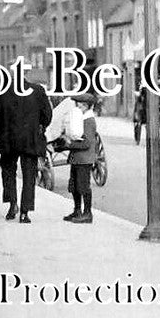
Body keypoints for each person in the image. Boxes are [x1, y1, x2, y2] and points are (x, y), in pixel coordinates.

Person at [0, 75, 52, 224]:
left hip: (8, 140)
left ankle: (12, 205)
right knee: (29, 176)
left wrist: (0, 131)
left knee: (8, 172)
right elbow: (47, 116)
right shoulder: (38, 90)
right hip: (30, 140)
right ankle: (25, 212)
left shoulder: (1, 90)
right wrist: (39, 128)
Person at [63, 94, 99, 224]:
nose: (78, 106)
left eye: (80, 104)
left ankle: (87, 213)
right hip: (77, 158)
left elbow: (86, 143)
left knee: (83, 186)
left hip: (84, 159)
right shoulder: (81, 119)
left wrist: (69, 144)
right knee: (74, 186)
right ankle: (77, 210)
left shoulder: (88, 121)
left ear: (86, 106)